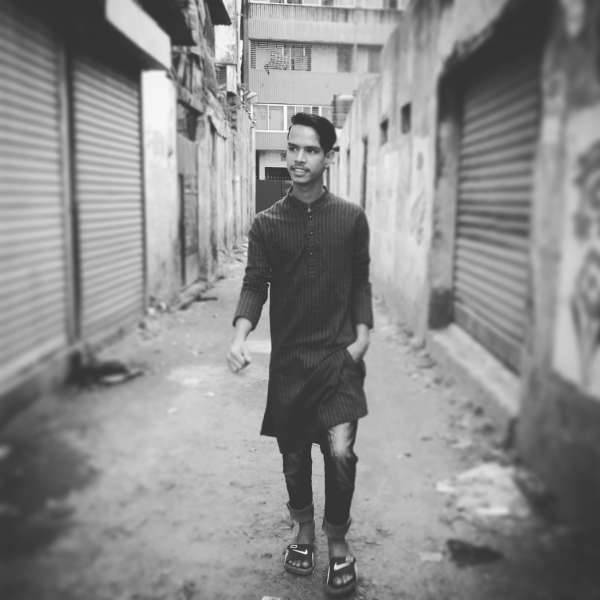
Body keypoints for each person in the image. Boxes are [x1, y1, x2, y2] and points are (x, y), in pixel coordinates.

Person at [227, 112, 373, 597]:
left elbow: (360, 281)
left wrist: (361, 338)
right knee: (294, 457)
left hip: (339, 360)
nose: (298, 158)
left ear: (328, 157)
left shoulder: (350, 218)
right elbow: (255, 283)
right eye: (293, 148)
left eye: (310, 150)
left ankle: (337, 541)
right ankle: (304, 530)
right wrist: (240, 335)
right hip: (290, 363)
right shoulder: (267, 223)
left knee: (340, 452)